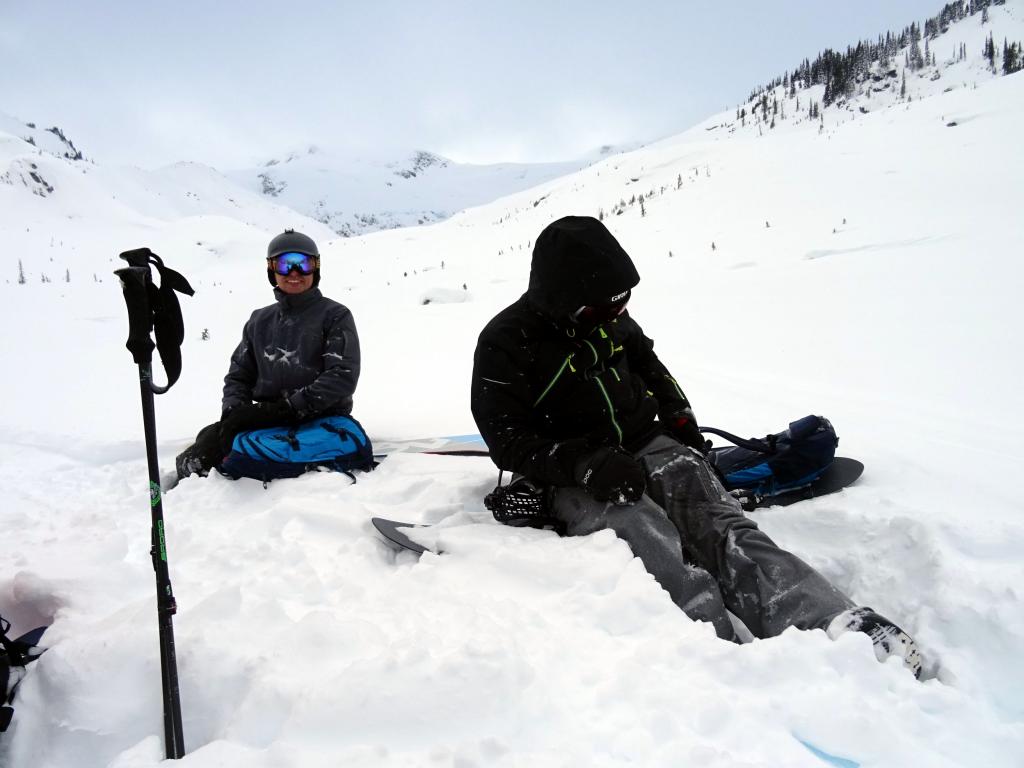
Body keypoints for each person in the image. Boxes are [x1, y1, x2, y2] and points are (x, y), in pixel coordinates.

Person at [470, 215, 922, 677]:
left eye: (621, 302)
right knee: (642, 527)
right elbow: (506, 441)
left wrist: (681, 421)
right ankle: (716, 653)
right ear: (564, 297)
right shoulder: (505, 342)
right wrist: (584, 465)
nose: (616, 314)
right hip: (574, 474)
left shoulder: (613, 320)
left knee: (720, 520)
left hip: (647, 445)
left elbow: (654, 371)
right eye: (602, 307)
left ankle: (827, 622)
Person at [175, 229, 361, 480]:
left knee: (245, 459)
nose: (294, 273)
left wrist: (284, 409)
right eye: (285, 265)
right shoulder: (259, 320)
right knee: (195, 459)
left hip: (321, 419)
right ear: (271, 270)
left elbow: (341, 376)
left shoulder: (334, 316)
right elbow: (238, 376)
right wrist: (235, 414)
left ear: (315, 269)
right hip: (267, 424)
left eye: (303, 264)